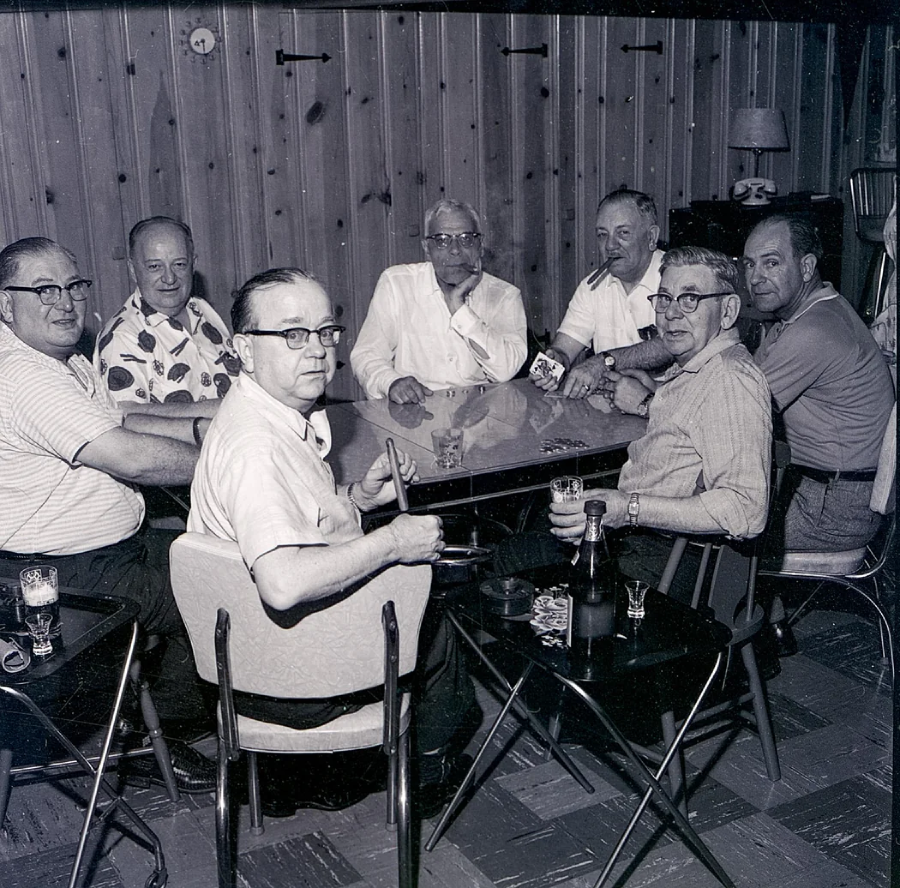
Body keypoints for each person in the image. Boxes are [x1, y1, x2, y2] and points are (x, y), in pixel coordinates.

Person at [188, 267, 478, 814]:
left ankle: (311, 777)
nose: (318, 350)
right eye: (293, 334)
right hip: (288, 679)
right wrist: (392, 542)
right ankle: (420, 776)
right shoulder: (257, 447)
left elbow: (293, 523)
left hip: (247, 660)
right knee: (435, 617)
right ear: (245, 349)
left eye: (325, 332)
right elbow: (280, 583)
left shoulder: (263, 415)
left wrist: (357, 501)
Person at [0, 237, 216, 792]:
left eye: (74, 286)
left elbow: (118, 420)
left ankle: (157, 727)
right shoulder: (25, 376)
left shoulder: (61, 359)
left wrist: (205, 432)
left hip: (105, 553)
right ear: (6, 305)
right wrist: (228, 466)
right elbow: (130, 457)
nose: (65, 302)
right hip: (60, 576)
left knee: (215, 561)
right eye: (44, 290)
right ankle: (155, 736)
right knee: (225, 595)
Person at [548, 247, 771, 555]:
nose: (671, 313)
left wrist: (628, 508)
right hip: (651, 537)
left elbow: (746, 511)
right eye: (664, 298)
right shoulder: (698, 366)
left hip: (668, 559)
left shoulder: (731, 379)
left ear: (728, 311)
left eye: (690, 299)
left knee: (515, 555)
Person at [350, 198, 527, 403]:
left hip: (480, 421)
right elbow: (365, 355)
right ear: (427, 247)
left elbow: (505, 371)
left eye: (466, 239)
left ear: (480, 245)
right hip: (413, 417)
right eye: (442, 240)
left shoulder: (505, 296)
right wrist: (391, 382)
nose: (454, 250)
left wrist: (458, 307)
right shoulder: (396, 284)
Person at [531, 189, 664, 399]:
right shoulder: (592, 286)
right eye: (603, 235)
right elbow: (565, 349)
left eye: (623, 233)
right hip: (613, 410)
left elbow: (669, 345)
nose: (610, 245)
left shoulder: (677, 278)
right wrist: (553, 363)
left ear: (651, 237)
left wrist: (604, 362)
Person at [94, 216, 239, 409]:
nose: (169, 278)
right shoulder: (122, 337)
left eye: (179, 264)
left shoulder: (203, 309)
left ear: (193, 264)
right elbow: (128, 418)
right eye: (155, 266)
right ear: (132, 269)